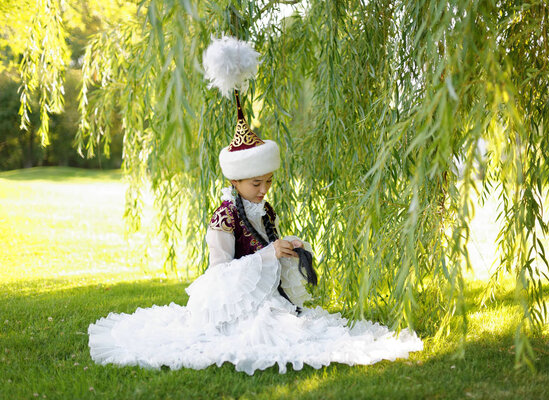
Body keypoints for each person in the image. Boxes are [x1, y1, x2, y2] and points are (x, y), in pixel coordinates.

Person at [87, 37, 423, 375]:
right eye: (256, 183)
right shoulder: (224, 217)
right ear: (235, 181)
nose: (264, 190)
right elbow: (219, 274)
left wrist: (286, 247)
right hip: (232, 306)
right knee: (264, 334)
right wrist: (268, 254)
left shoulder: (264, 210)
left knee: (296, 327)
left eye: (268, 182)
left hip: (263, 296)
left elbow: (265, 245)